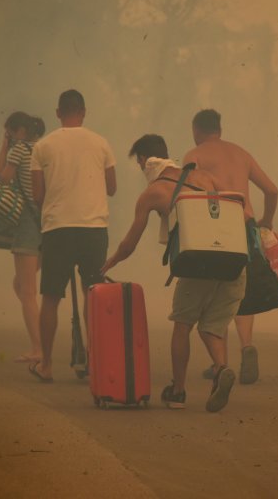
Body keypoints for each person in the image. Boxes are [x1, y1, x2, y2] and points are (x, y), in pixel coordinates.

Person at [100, 134, 245, 412]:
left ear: (144, 161)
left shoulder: (153, 193)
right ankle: (221, 369)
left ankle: (178, 391)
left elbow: (130, 242)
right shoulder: (204, 177)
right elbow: (237, 209)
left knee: (182, 324)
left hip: (198, 264)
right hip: (232, 262)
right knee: (213, 326)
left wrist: (112, 261)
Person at [182, 109, 278, 385]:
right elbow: (272, 190)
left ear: (197, 131)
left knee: (219, 293)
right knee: (241, 290)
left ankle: (220, 364)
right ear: (220, 130)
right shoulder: (241, 153)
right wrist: (267, 221)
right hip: (247, 224)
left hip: (216, 226)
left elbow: (187, 193)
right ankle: (247, 346)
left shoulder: (195, 155)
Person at [28, 90, 117, 382]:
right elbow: (112, 187)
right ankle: (94, 360)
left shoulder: (42, 146)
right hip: (94, 228)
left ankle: (47, 364)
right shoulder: (101, 143)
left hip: (58, 229)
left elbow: (37, 195)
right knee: (93, 292)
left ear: (58, 113)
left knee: (51, 296)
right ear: (84, 112)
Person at [0, 111, 46, 364]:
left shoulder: (20, 149)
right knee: (22, 287)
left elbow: (2, 179)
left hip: (28, 223)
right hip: (48, 221)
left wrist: (5, 147)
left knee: (26, 291)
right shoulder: (43, 148)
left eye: (10, 133)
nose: (10, 137)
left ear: (20, 131)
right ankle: (40, 339)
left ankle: (38, 348)